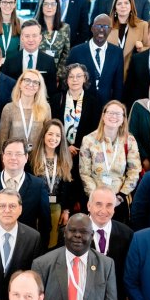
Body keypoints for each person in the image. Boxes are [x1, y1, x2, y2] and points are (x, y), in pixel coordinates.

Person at [0, 137, 51, 248]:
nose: (13, 158)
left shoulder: (38, 186)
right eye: (9, 153)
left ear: (26, 157)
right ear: (3, 157)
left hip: (26, 248)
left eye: (18, 154)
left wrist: (40, 252)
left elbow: (45, 224)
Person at [78, 100, 141, 222]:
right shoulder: (88, 140)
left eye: (118, 114)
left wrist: (120, 197)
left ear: (123, 119)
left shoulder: (130, 140)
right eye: (110, 113)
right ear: (103, 116)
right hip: (94, 199)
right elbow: (84, 173)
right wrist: (96, 197)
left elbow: (134, 171)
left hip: (118, 200)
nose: (114, 116)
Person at [49, 63, 101, 206]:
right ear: (66, 80)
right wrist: (66, 146)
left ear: (85, 78)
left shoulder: (94, 101)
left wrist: (79, 147)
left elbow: (95, 129)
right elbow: (52, 126)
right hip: (61, 150)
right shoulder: (56, 99)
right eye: (71, 76)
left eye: (79, 76)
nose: (75, 80)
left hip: (84, 152)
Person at [29, 119, 74, 247]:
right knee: (36, 242)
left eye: (58, 135)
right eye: (50, 134)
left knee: (52, 243)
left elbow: (68, 187)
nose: (53, 138)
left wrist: (66, 211)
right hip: (36, 207)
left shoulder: (65, 158)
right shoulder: (32, 157)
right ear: (43, 135)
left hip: (56, 207)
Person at [66, 14, 124, 107]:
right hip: (81, 105)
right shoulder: (76, 51)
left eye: (105, 27)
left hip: (106, 106)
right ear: (92, 28)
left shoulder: (117, 53)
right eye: (98, 26)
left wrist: (116, 105)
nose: (101, 30)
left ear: (110, 30)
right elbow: (67, 80)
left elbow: (118, 85)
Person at [0, 69, 52, 155]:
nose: (31, 84)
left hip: (37, 157)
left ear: (39, 87)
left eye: (35, 82)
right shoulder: (9, 108)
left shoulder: (45, 108)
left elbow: (48, 135)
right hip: (14, 158)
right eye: (27, 80)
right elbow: (1, 142)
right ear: (20, 84)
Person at [3, 20, 58, 100]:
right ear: (22, 38)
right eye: (27, 36)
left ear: (40, 38)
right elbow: (5, 87)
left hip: (40, 104)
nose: (31, 39)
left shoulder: (49, 61)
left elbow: (52, 91)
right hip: (16, 102)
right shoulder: (10, 60)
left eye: (34, 36)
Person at [107, 0, 148, 79]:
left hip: (132, 75)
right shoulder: (107, 25)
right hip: (110, 73)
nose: (123, 6)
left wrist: (141, 49)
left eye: (126, 3)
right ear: (115, 8)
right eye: (119, 4)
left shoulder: (143, 25)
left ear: (131, 6)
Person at [35, 0, 70, 82]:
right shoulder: (34, 26)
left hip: (56, 75)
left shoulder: (65, 27)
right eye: (46, 4)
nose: (49, 7)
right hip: (35, 73)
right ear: (41, 6)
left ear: (57, 7)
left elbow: (66, 54)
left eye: (53, 4)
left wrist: (58, 75)